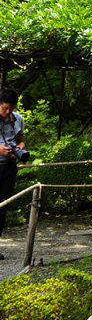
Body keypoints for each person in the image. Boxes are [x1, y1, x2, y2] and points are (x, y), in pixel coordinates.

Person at [0, 89, 27, 257]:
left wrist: (20, 148)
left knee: (2, 207)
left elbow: (21, 140)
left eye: (11, 108)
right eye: (4, 108)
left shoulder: (18, 119)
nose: (7, 112)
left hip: (9, 167)